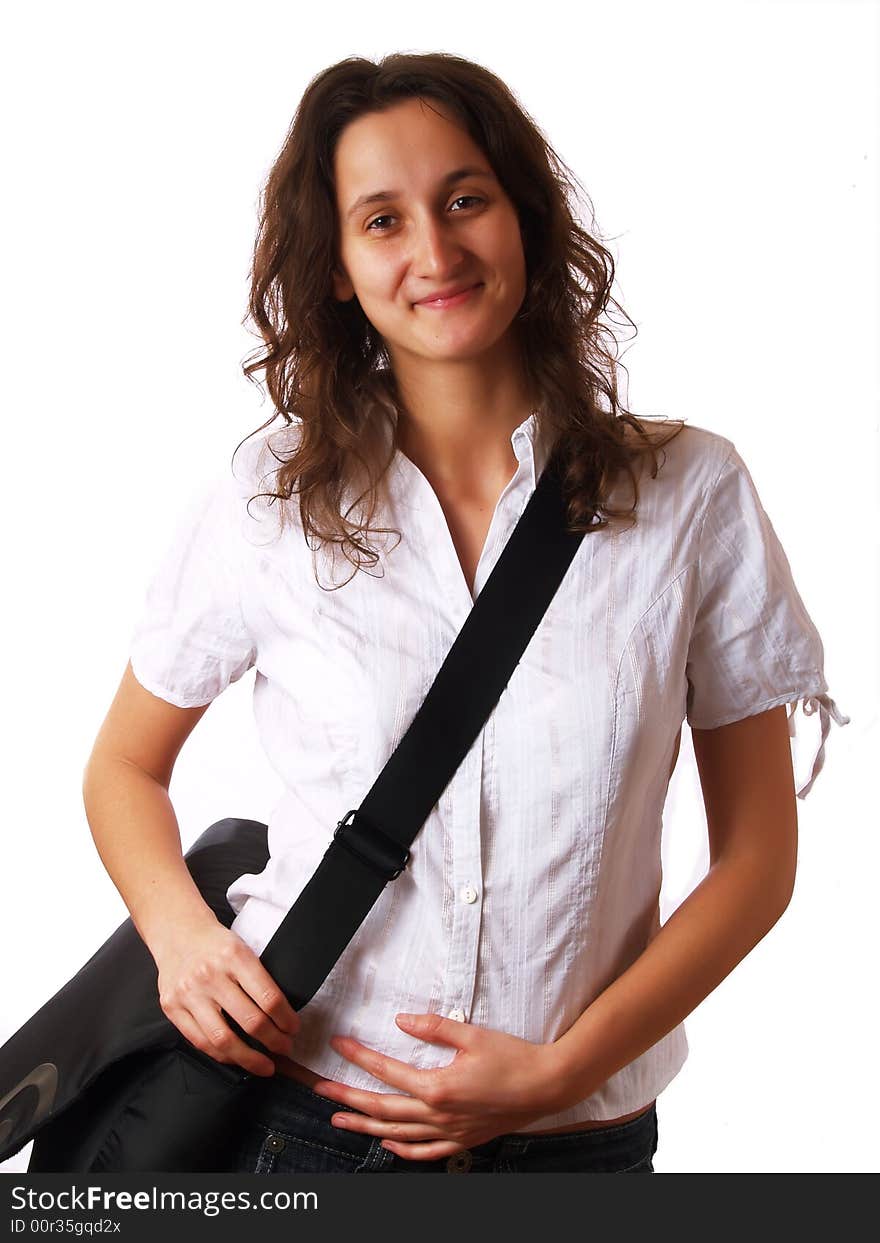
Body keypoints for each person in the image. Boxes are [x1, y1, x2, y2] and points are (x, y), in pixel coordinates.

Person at [82, 52, 850, 1175]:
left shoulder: (691, 493)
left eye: (463, 200)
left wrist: (562, 1067)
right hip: (305, 1126)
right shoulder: (268, 500)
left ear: (523, 217)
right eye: (382, 220)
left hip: (579, 1143)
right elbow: (122, 767)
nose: (434, 254)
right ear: (339, 267)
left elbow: (756, 861)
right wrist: (186, 940)